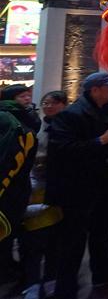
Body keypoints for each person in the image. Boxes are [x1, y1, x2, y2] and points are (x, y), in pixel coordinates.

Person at [47, 72, 108, 299]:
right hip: (78, 187)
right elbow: (63, 151)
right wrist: (100, 141)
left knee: (101, 232)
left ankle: (104, 273)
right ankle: (66, 287)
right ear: (95, 90)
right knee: (73, 240)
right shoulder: (71, 115)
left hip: (103, 183)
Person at [20, 91, 67, 299]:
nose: (48, 106)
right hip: (35, 188)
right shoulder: (36, 127)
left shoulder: (67, 127)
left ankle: (50, 279)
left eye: (53, 103)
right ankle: (32, 282)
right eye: (45, 103)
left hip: (58, 189)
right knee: (33, 242)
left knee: (54, 242)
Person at [0, 84, 40, 285]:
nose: (27, 99)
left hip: (15, 187)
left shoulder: (17, 118)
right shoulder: (11, 121)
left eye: (28, 95)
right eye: (23, 96)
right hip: (11, 189)